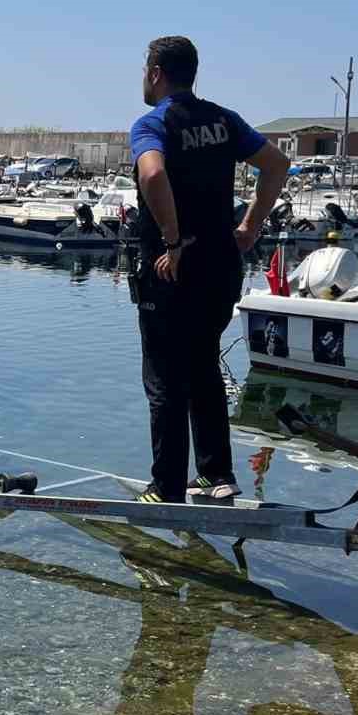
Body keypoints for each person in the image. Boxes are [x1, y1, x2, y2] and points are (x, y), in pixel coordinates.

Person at [130, 36, 289, 504]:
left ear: (156, 73)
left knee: (164, 377)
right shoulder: (225, 119)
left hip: (171, 269)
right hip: (221, 263)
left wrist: (173, 240)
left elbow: (153, 174)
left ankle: (166, 487)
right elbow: (277, 165)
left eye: (144, 70)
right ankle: (218, 475)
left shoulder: (153, 122)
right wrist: (250, 227)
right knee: (204, 367)